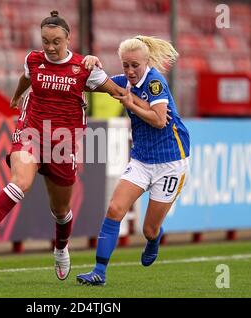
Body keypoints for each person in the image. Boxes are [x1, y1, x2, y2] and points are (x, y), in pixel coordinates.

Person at [0, 13, 168, 281]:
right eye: (45, 41)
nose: (50, 47)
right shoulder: (33, 60)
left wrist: (149, 105)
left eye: (56, 41)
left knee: (60, 211)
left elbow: (118, 91)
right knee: (20, 182)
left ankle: (60, 248)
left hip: (64, 144)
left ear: (69, 39)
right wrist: (16, 96)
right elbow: (27, 78)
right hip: (31, 132)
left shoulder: (84, 68)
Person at [76, 35, 190, 286]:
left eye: (134, 65)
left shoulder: (155, 83)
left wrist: (131, 104)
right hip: (141, 160)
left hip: (170, 162)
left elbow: (160, 121)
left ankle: (153, 239)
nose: (129, 71)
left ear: (147, 62)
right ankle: (99, 272)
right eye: (125, 65)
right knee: (115, 209)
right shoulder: (123, 82)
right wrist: (89, 63)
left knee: (148, 229)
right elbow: (88, 82)